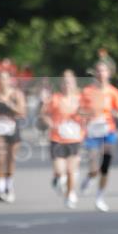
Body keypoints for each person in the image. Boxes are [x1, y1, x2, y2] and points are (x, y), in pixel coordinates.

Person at [79, 60, 118, 212]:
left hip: (108, 131)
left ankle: (100, 197)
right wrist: (88, 114)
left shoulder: (113, 92)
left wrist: (116, 114)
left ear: (109, 73)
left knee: (105, 167)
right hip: (92, 132)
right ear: (95, 73)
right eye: (98, 71)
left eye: (104, 71)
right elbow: (79, 110)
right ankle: (89, 178)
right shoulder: (87, 91)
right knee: (94, 168)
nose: (101, 74)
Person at [42, 70, 84, 208]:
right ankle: (57, 179)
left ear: (74, 83)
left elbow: (89, 113)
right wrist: (50, 123)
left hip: (74, 139)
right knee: (61, 171)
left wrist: (84, 116)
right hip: (58, 139)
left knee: (71, 171)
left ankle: (70, 194)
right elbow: (44, 114)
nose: (67, 84)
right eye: (64, 82)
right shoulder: (54, 99)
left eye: (70, 82)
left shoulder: (80, 99)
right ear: (61, 83)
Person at [0, 68, 27, 203]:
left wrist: (9, 105)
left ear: (10, 80)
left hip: (13, 128)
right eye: (0, 78)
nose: (3, 81)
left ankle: (9, 188)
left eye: (5, 78)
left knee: (10, 160)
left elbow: (22, 112)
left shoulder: (17, 94)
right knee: (0, 159)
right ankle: (1, 189)